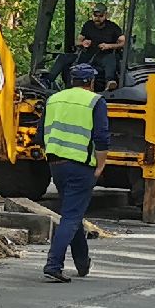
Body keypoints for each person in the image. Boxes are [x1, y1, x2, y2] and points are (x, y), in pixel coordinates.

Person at [39, 63, 108, 283]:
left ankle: (82, 262)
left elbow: (40, 135)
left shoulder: (53, 99)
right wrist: (100, 165)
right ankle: (53, 264)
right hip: (80, 166)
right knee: (70, 215)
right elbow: (101, 137)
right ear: (90, 82)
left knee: (73, 212)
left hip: (56, 164)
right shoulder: (95, 101)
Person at [78, 2, 125, 87]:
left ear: (106, 15)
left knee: (111, 58)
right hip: (89, 55)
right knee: (64, 57)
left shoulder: (112, 27)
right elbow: (77, 41)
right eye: (95, 16)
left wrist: (109, 46)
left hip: (105, 57)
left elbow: (124, 42)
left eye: (100, 16)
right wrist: (83, 43)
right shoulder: (88, 25)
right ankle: (48, 81)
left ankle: (110, 81)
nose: (97, 18)